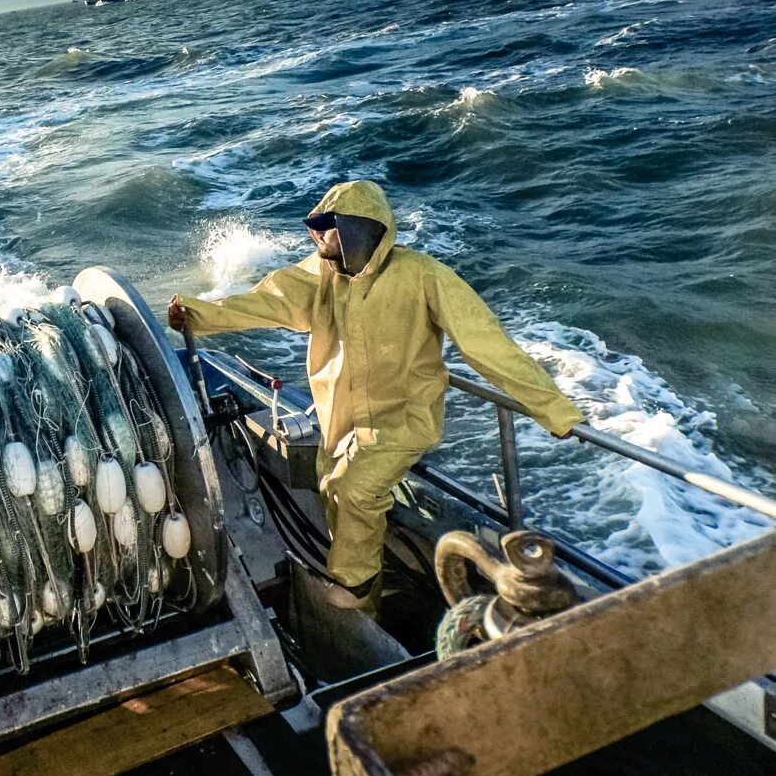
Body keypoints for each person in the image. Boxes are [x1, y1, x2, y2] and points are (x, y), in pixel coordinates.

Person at [168, 180, 583, 610]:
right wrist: (196, 315)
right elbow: (261, 303)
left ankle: (358, 587)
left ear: (362, 231)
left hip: (403, 417)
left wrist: (555, 411)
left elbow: (487, 344)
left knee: (354, 490)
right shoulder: (318, 276)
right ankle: (369, 604)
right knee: (330, 486)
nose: (322, 238)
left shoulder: (423, 276)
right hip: (338, 414)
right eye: (321, 228)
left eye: (332, 228)